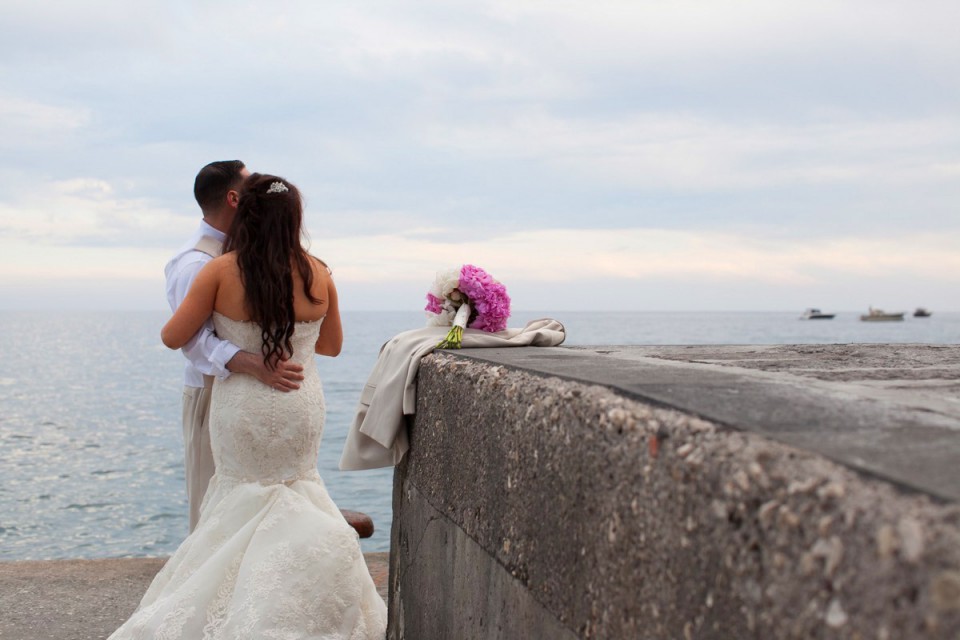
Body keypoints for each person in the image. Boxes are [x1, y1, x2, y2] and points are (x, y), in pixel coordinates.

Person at [110, 174, 387, 638]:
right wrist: (293, 341)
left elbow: (172, 336)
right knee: (299, 490)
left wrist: (238, 339)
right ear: (295, 219)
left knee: (240, 497)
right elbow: (333, 346)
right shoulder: (319, 272)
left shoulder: (219, 271)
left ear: (247, 215)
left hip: (243, 405)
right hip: (300, 401)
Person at [165, 160, 305, 531]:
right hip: (213, 393)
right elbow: (191, 342)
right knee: (211, 501)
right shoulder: (196, 262)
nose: (258, 186)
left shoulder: (248, 255)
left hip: (258, 397)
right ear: (233, 198)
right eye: (250, 183)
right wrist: (253, 363)